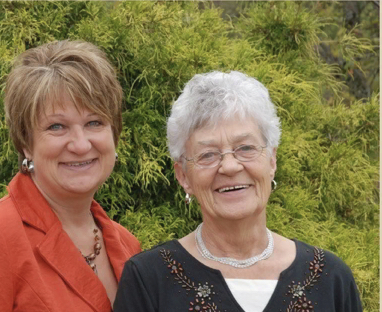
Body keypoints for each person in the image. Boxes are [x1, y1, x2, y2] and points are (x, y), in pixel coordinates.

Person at [113, 71, 362, 312]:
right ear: (183, 176)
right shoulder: (148, 280)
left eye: (245, 148)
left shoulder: (331, 279)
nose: (230, 166)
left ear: (272, 161)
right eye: (208, 154)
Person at [0, 40, 141, 312]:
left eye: (94, 122)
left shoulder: (127, 245)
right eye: (57, 126)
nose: (81, 144)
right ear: (26, 143)